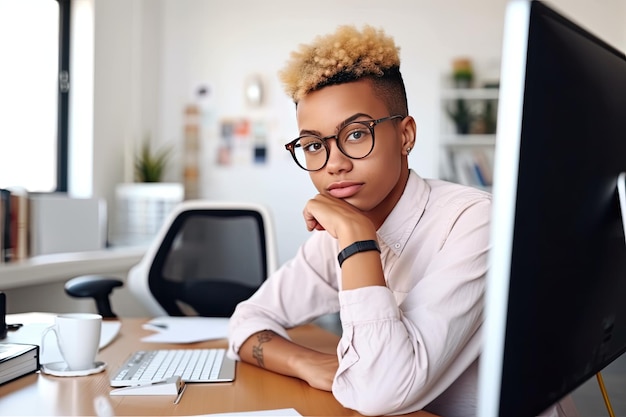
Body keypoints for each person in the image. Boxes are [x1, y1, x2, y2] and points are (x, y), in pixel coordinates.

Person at [227, 24, 580, 417]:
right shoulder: (336, 232)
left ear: (406, 135)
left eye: (357, 134)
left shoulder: (476, 222)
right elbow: (247, 321)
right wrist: (306, 364)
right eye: (313, 145)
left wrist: (358, 238)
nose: (336, 164)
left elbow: (379, 393)